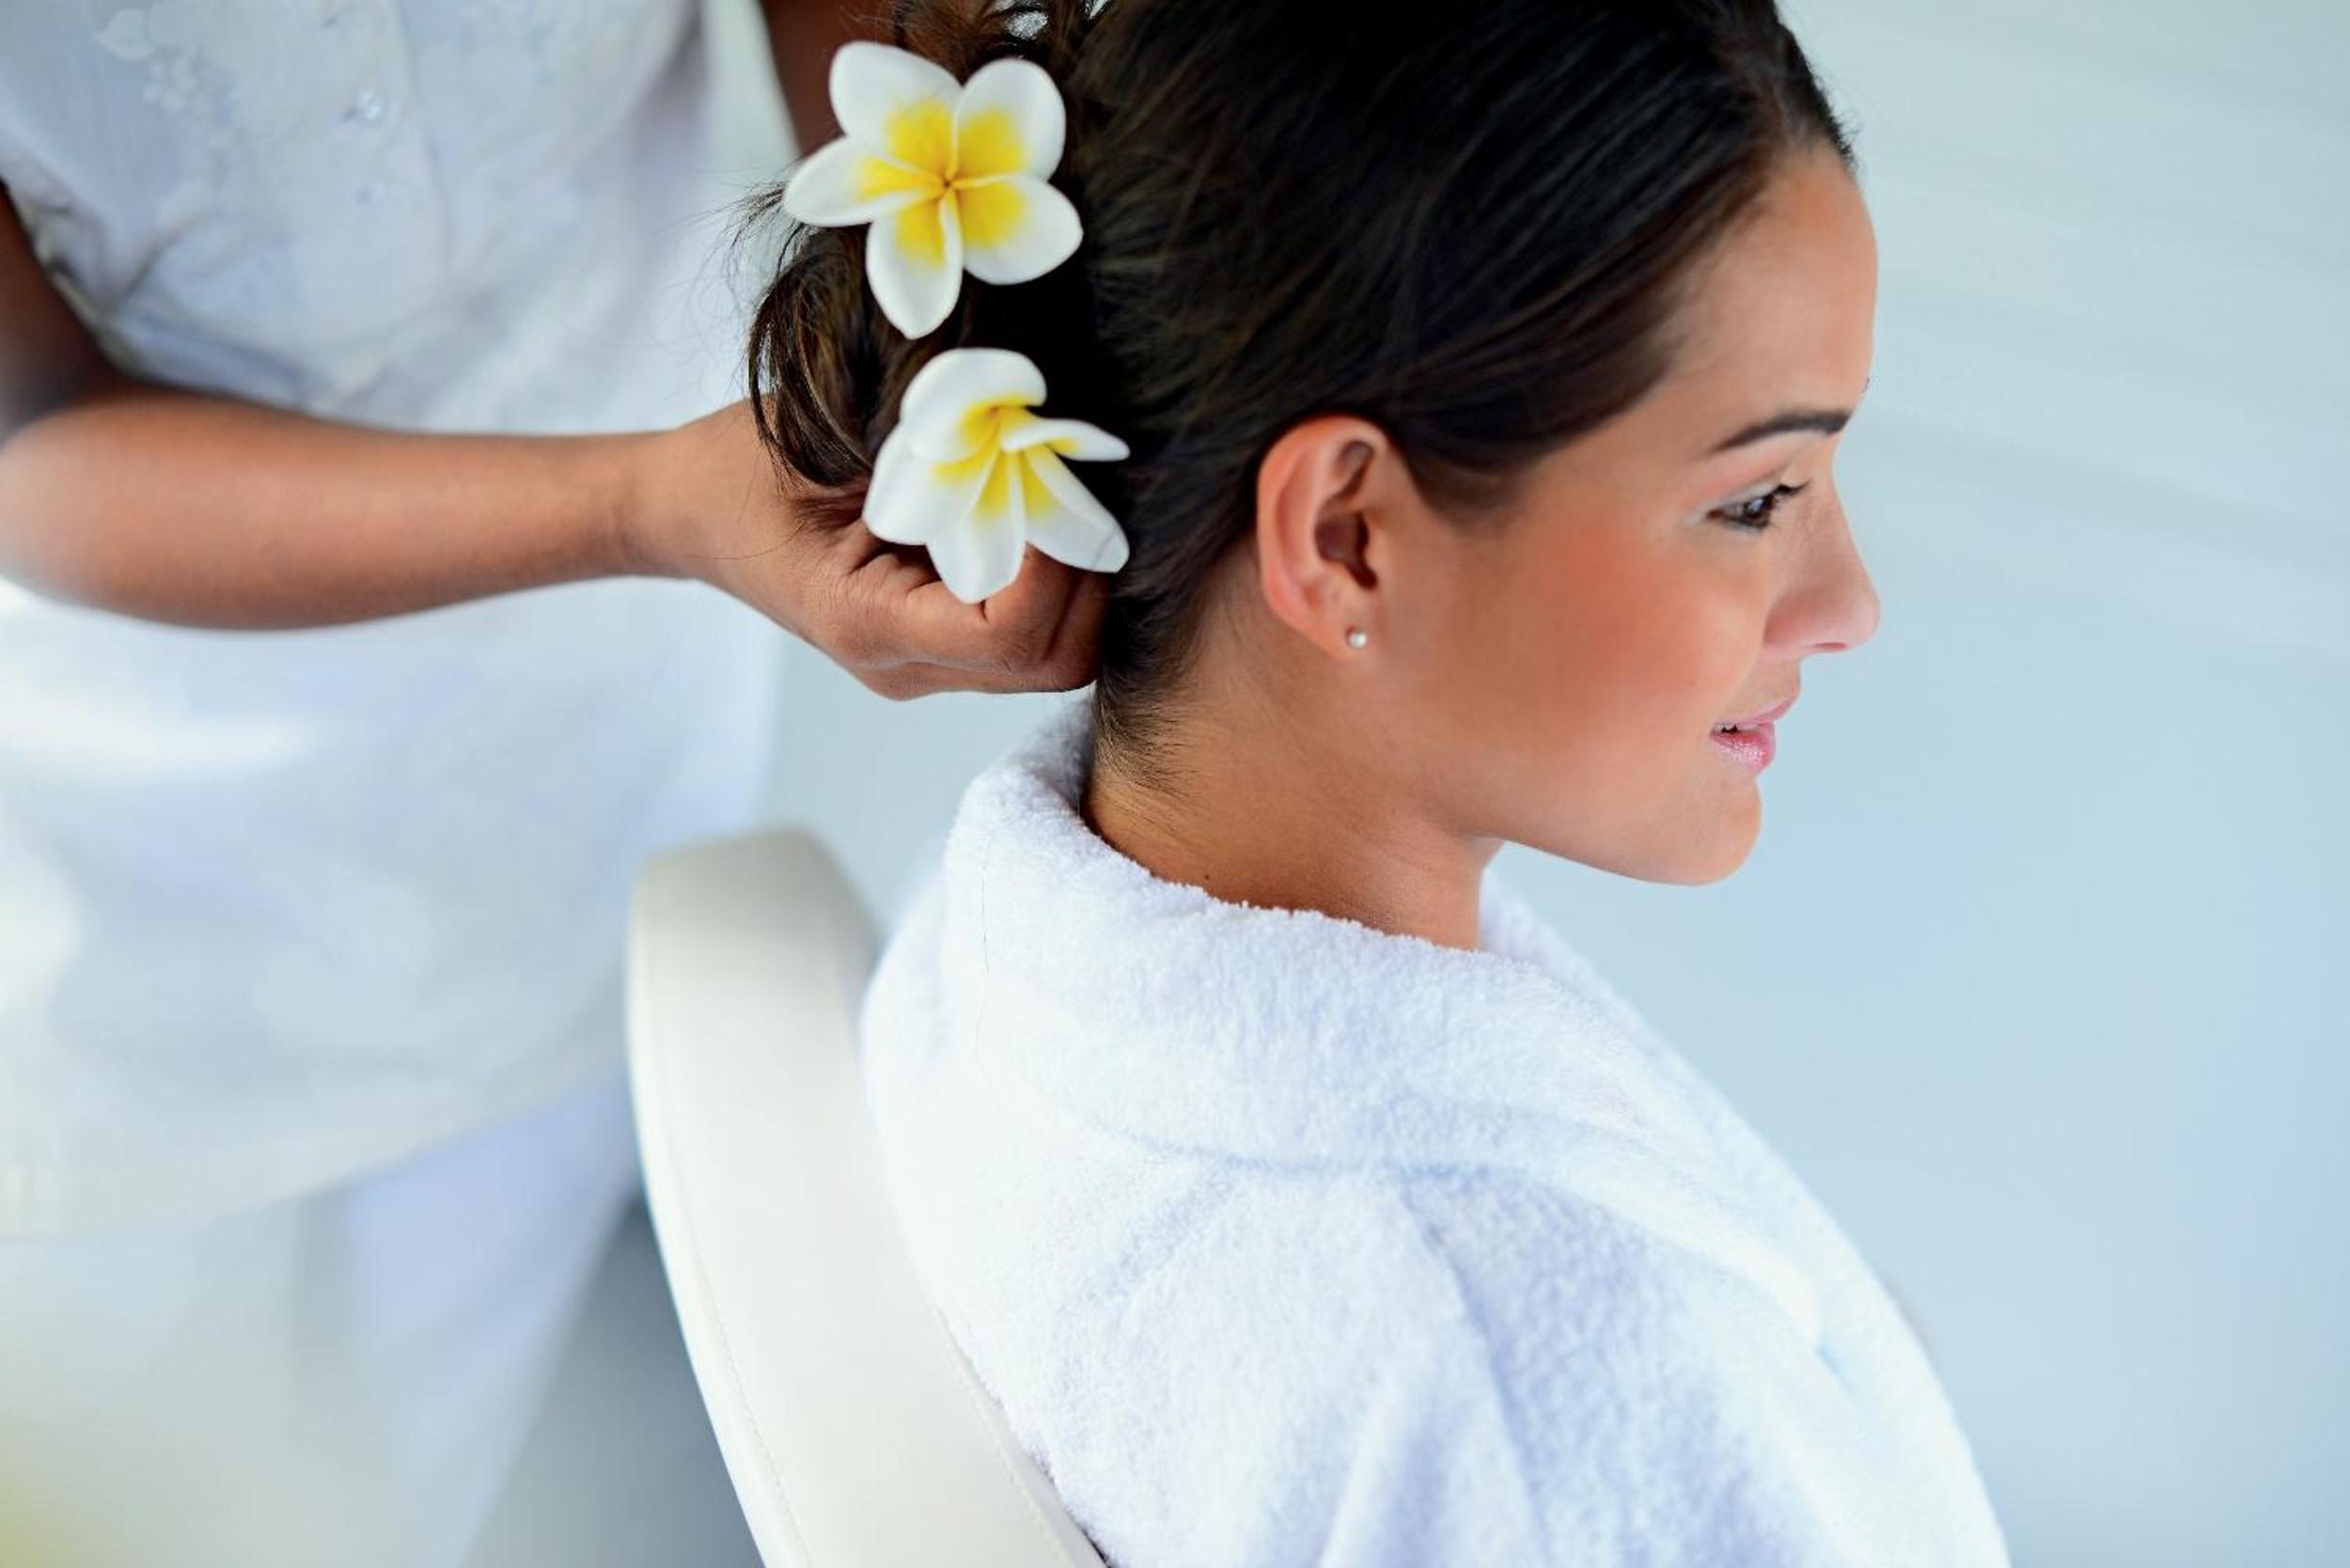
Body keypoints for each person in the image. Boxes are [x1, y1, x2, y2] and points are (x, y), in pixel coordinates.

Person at [765, 0, 2017, 1562]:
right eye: (1758, 498)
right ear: (1347, 537)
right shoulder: (1524, 1415)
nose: (1850, 604)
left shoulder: (1010, 960)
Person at [0, 3, 1106, 1564]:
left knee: (434, 1463)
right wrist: (644, 504)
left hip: (591, 761)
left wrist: (962, 359)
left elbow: (869, 51)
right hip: (112, 867)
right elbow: (28, 431)